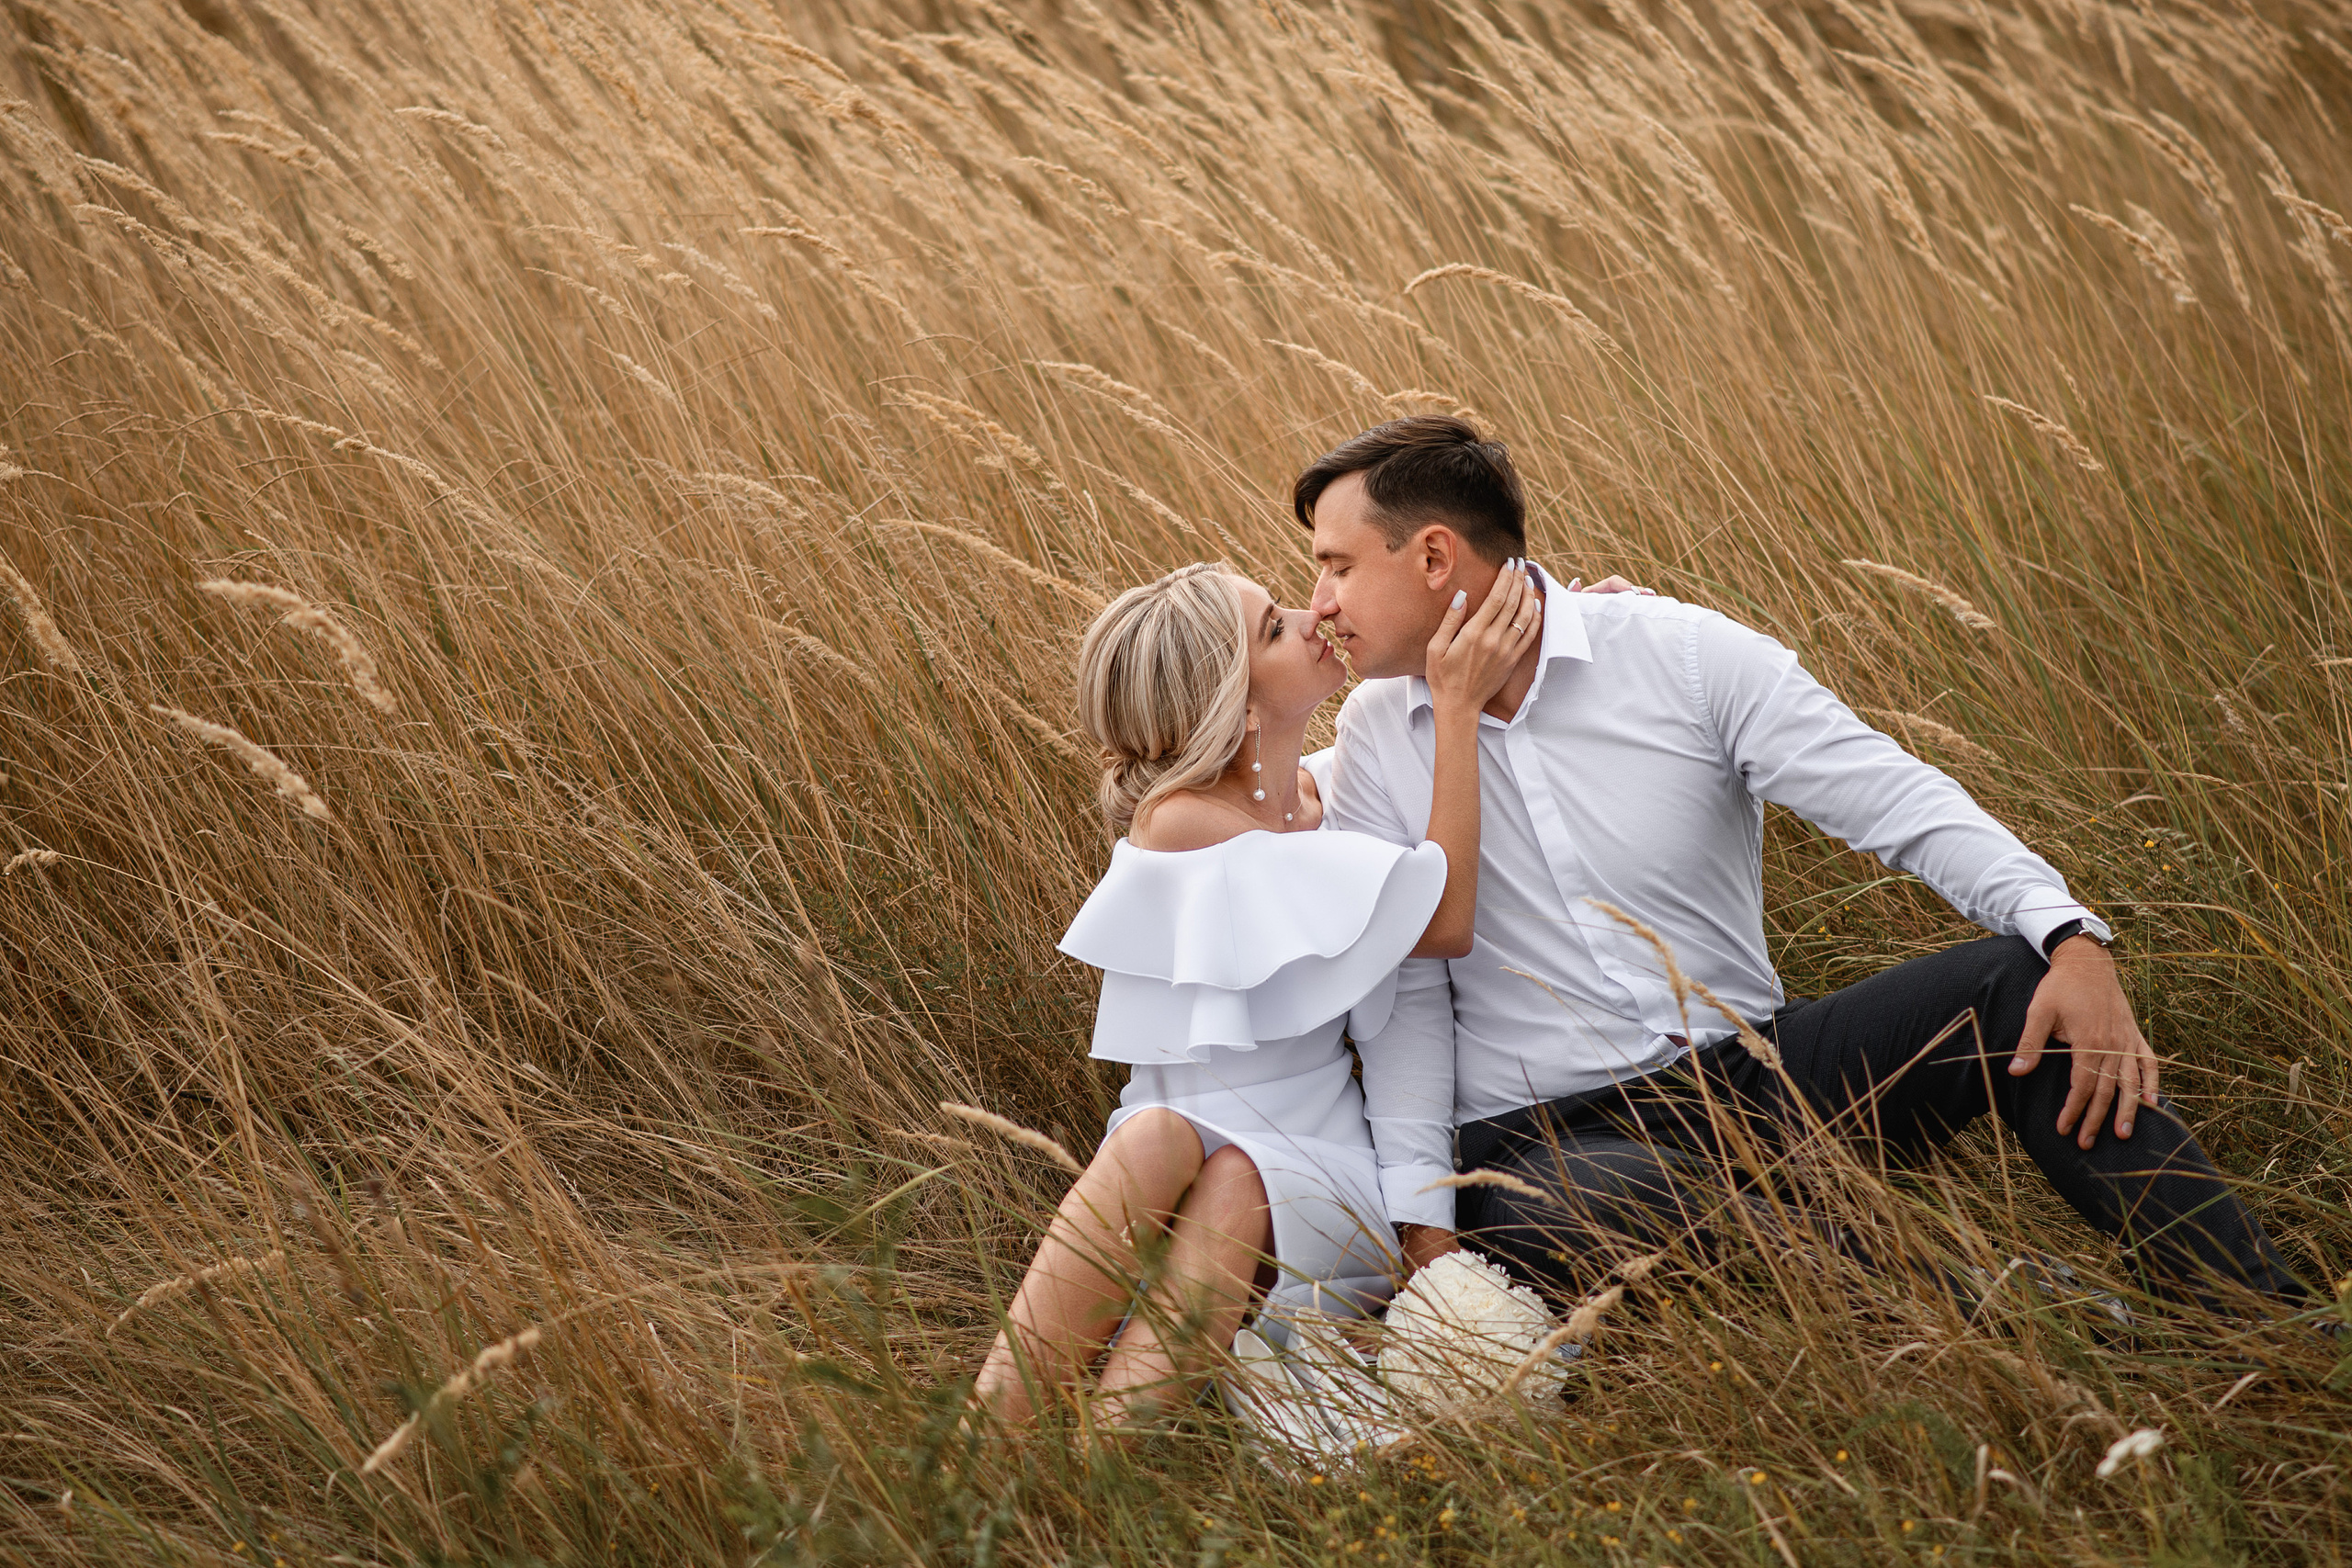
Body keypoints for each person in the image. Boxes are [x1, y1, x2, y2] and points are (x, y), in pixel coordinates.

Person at [1303, 414, 2311, 1313]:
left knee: (2015, 982)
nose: (1319, 604)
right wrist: (1427, 1221)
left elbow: (1893, 796)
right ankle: (2026, 1323)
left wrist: (2068, 933)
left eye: (1336, 564)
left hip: (1751, 1076)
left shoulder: (1681, 655)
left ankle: (2254, 1315)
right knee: (1615, 1201)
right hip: (1541, 1144)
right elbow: (1409, 1003)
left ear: (1433, 555)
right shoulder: (1376, 738)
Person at [967, 558, 1544, 1426]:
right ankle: (994, 1448)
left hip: (1322, 1168)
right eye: (1274, 626)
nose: (1312, 614)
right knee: (1167, 1134)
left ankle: (1092, 1469)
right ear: (1236, 706)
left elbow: (1419, 880)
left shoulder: (1318, 796)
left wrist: (1566, 614)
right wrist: (1454, 711)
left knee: (1235, 1169)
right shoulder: (1182, 819)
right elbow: (1441, 909)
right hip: (1171, 1158)